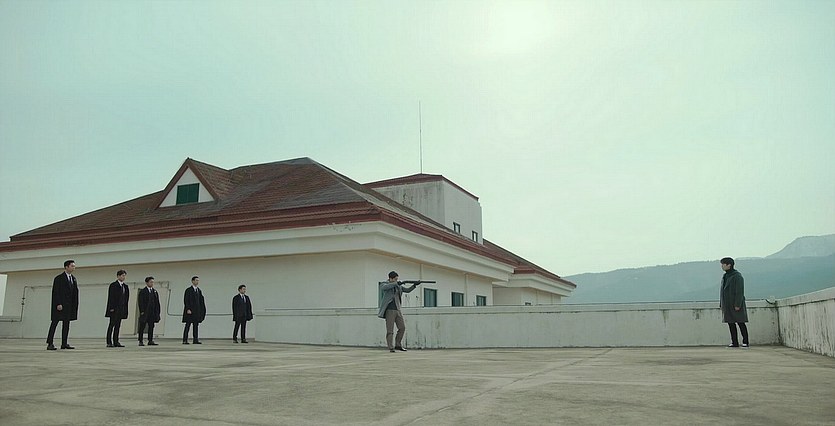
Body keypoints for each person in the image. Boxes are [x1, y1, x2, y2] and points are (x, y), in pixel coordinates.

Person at [377, 271, 419, 353]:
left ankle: (398, 344)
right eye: (395, 279)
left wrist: (414, 285)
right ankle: (391, 347)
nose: (396, 280)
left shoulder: (398, 286)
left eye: (397, 279)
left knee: (402, 327)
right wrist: (396, 283)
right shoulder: (384, 284)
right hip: (389, 310)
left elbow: (407, 290)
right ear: (390, 278)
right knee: (390, 330)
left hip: (398, 309)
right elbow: (384, 288)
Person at [46, 260, 80, 350]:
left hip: (69, 306)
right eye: (72, 266)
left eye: (74, 266)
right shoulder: (59, 278)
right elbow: (56, 292)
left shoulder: (73, 278)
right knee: (54, 323)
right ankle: (50, 343)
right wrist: (58, 303)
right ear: (66, 267)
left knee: (66, 324)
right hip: (60, 305)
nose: (74, 268)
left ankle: (64, 343)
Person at [720, 257, 749, 348]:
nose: (722, 266)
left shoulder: (737, 276)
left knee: (741, 322)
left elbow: (739, 291)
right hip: (727, 304)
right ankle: (734, 342)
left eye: (723, 264)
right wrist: (722, 304)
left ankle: (745, 341)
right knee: (730, 323)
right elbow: (722, 292)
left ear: (729, 265)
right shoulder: (725, 276)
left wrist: (737, 304)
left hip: (735, 304)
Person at [105, 269, 130, 348]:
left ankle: (116, 341)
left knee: (118, 326)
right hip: (114, 309)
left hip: (121, 309)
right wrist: (111, 308)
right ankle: (109, 342)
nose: (123, 277)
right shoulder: (113, 285)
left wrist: (125, 309)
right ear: (118, 276)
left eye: (124, 276)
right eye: (122, 275)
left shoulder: (125, 286)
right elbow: (111, 297)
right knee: (111, 325)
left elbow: (126, 299)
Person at [137, 276, 161, 346]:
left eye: (153, 282)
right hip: (145, 312)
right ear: (147, 283)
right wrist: (142, 311)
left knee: (151, 326)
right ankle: (140, 340)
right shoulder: (143, 291)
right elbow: (140, 302)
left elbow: (157, 302)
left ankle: (150, 340)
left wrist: (157, 312)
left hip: (152, 312)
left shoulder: (155, 291)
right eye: (151, 282)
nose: (152, 283)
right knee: (142, 326)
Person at [182, 276, 206, 344]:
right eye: (196, 280)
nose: (197, 282)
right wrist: (188, 309)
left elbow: (201, 301)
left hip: (196, 311)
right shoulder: (188, 290)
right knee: (188, 325)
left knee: (196, 326)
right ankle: (185, 340)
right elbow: (186, 300)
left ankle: (195, 339)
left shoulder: (199, 290)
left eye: (198, 280)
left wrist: (201, 310)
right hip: (190, 311)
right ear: (192, 281)